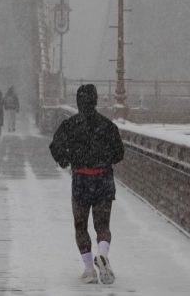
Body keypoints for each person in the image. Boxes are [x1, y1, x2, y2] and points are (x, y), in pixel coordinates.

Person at [48, 84, 124, 285]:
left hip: (81, 180)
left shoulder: (69, 125)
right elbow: (119, 154)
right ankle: (103, 254)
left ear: (78, 102)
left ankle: (90, 269)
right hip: (103, 179)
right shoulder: (107, 125)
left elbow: (54, 147)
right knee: (103, 226)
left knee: (81, 226)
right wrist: (104, 160)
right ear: (96, 100)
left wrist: (66, 160)